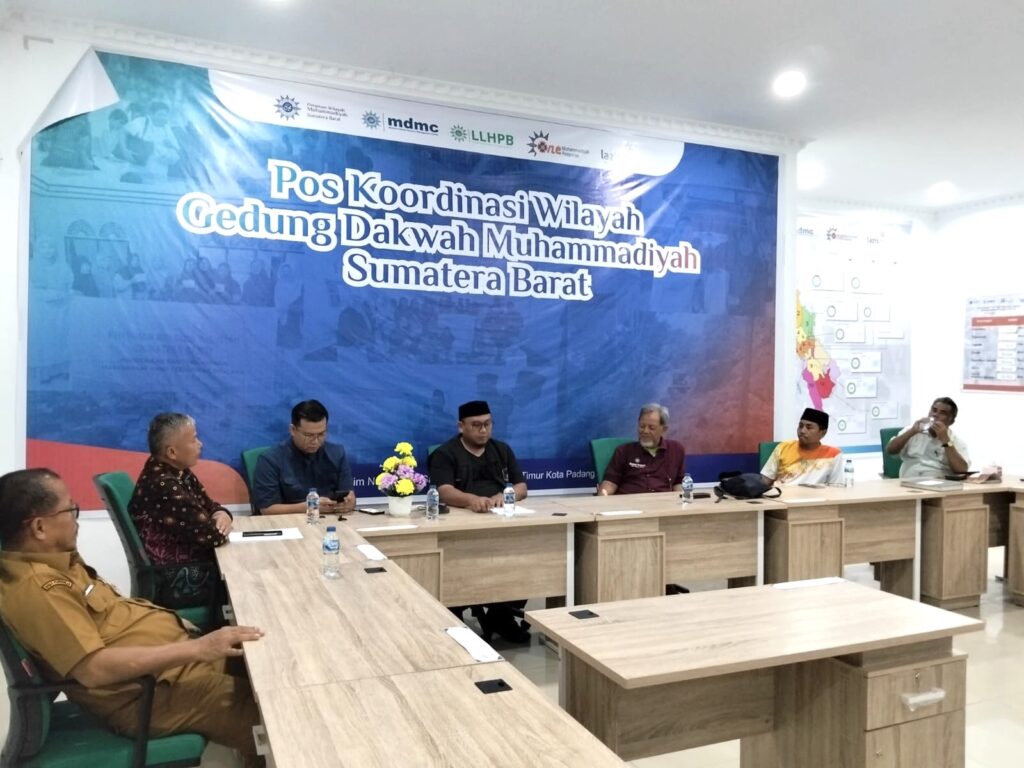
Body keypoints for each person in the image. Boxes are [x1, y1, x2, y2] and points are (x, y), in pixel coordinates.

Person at [0, 468, 264, 767]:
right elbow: (94, 670)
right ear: (39, 528)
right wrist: (198, 648)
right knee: (271, 713)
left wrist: (177, 628)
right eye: (70, 510)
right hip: (144, 695)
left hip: (169, 668)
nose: (76, 518)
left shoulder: (59, 561)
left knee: (266, 664)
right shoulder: (39, 589)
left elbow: (113, 612)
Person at [428, 400, 530, 643]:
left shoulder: (502, 450)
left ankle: (501, 614)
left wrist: (504, 496)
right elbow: (444, 491)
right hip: (460, 526)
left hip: (499, 523)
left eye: (487, 424)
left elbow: (521, 486)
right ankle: (453, 613)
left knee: (527, 554)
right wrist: (471, 500)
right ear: (461, 426)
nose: (483, 430)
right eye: (476, 425)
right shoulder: (445, 453)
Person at [128, 413, 232, 607]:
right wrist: (220, 521)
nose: (200, 444)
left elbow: (210, 505)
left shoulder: (177, 471)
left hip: (189, 563)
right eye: (193, 440)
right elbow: (213, 536)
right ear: (172, 452)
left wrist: (222, 513)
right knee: (243, 574)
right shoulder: (164, 485)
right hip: (176, 577)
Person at [252, 399, 356, 515]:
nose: (315, 441)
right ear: (292, 430)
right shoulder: (270, 460)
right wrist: (310, 506)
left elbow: (349, 495)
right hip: (288, 521)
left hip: (330, 519)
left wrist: (349, 503)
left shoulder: (337, 454)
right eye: (309, 435)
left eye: (321, 434)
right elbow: (266, 509)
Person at [598, 403, 686, 495]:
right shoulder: (623, 451)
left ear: (664, 429)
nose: (645, 431)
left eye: (651, 428)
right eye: (642, 426)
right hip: (629, 501)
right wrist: (602, 498)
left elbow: (678, 483)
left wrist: (683, 501)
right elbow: (610, 483)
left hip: (662, 501)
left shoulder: (676, 450)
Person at [885, 397, 970, 478]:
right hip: (908, 482)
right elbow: (890, 450)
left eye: (942, 413)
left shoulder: (955, 440)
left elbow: (961, 470)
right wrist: (911, 432)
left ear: (951, 421)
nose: (935, 414)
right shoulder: (914, 429)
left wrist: (946, 440)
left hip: (939, 484)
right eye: (934, 410)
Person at [761, 407, 845, 486]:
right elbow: (765, 480)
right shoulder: (783, 447)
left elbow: (835, 487)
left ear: (822, 433)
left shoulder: (833, 455)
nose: (802, 431)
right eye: (800, 426)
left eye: (809, 427)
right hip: (782, 494)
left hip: (813, 496)